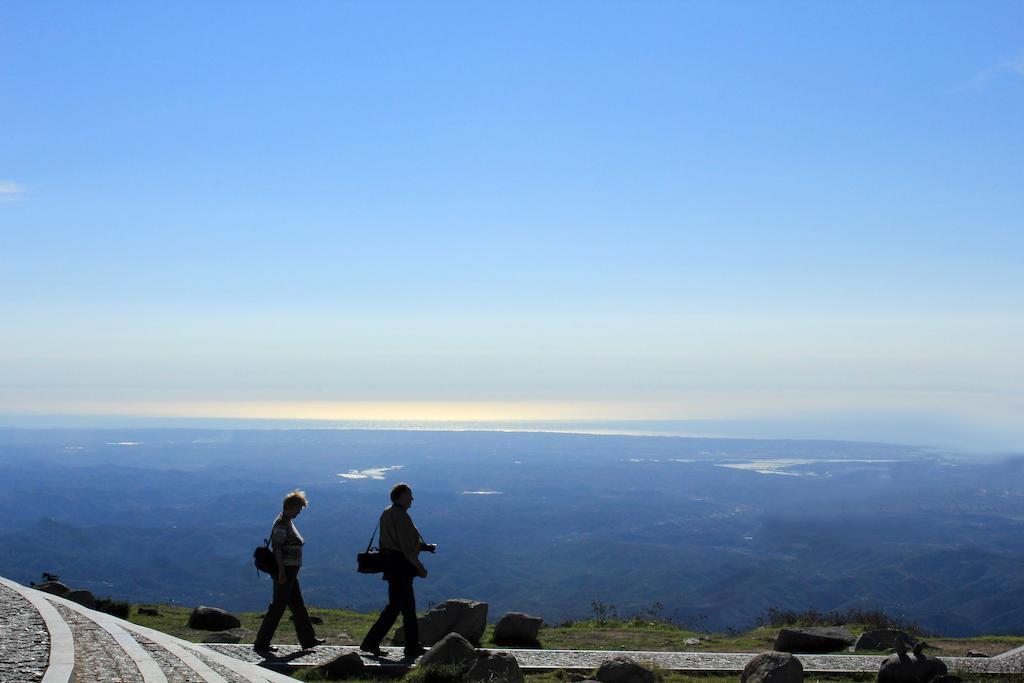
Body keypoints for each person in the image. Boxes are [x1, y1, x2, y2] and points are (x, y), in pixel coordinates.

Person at [360, 483, 436, 658]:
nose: (412, 499)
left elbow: (393, 541)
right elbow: (406, 547)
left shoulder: (387, 512)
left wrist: (423, 547)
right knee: (395, 607)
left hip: (391, 564)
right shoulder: (400, 516)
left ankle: (412, 646)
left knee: (408, 607)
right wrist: (420, 567)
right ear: (400, 496)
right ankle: (370, 642)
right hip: (401, 566)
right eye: (409, 495)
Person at [253, 490, 325, 653]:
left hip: (291, 570)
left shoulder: (287, 521)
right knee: (278, 606)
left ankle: (308, 639)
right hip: (284, 570)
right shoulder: (281, 524)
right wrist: (281, 572)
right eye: (298, 509)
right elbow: (277, 548)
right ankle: (261, 643)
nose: (299, 512)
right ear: (290, 507)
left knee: (298, 605)